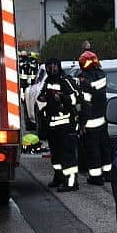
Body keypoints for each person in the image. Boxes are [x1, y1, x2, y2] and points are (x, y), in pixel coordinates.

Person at [37, 58, 79, 192]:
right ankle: (59, 177)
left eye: (54, 66)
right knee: (56, 155)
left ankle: (71, 183)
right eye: (49, 66)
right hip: (52, 126)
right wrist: (43, 98)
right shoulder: (48, 81)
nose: (52, 69)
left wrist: (62, 98)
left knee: (67, 156)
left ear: (58, 66)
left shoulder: (65, 80)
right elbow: (41, 96)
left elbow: (76, 97)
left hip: (66, 126)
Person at [76, 50, 111, 186]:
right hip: (102, 119)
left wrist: (81, 123)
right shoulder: (101, 75)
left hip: (90, 122)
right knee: (104, 148)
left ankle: (96, 177)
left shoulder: (84, 80)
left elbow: (84, 104)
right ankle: (108, 174)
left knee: (93, 151)